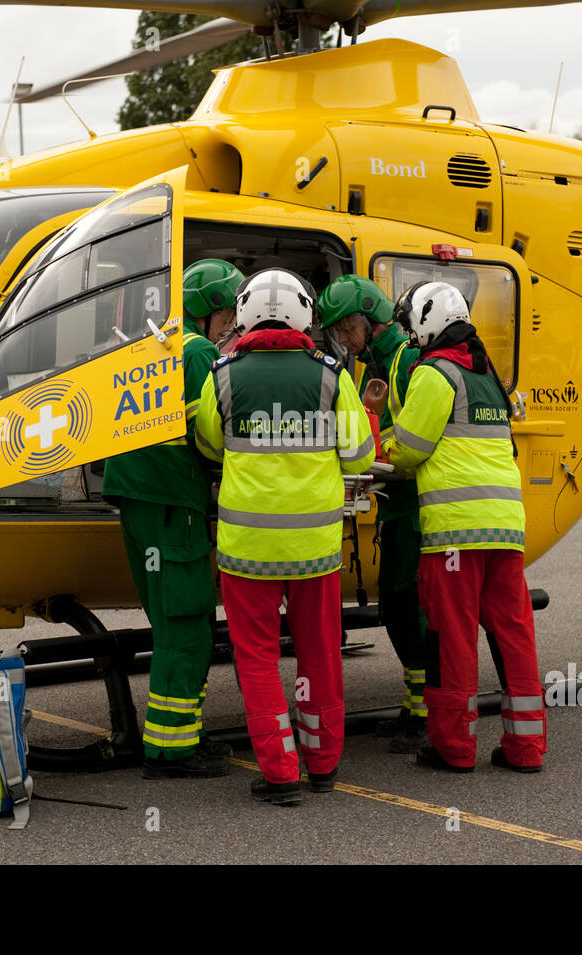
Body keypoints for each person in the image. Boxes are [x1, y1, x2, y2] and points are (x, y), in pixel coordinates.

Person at [195, 268, 375, 805]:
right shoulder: (330, 375)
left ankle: (279, 772)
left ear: (245, 313)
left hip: (247, 551)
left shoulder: (222, 374)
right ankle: (322, 763)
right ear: (304, 315)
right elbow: (361, 453)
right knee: (319, 654)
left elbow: (209, 445)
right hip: (314, 550)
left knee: (257, 659)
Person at [382, 281, 546, 773]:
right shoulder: (488, 375)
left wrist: (380, 445)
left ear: (428, 323)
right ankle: (526, 748)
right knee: (514, 637)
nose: (410, 338)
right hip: (505, 529)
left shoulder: (436, 373)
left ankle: (454, 748)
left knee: (450, 638)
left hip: (455, 534)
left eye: (411, 327)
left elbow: (410, 448)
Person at [100, 258, 243, 779]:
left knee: (167, 622)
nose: (231, 324)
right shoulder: (200, 351)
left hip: (138, 500)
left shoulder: (151, 343)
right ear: (208, 310)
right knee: (187, 626)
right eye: (227, 312)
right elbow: (213, 434)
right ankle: (172, 751)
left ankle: (178, 737)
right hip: (171, 501)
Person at [317, 275, 427, 753]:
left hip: (418, 506)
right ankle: (416, 705)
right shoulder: (371, 368)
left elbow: (420, 437)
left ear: (368, 318)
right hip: (393, 503)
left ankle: (427, 712)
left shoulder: (408, 360)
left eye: (345, 328)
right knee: (398, 610)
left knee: (411, 609)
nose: (342, 339)